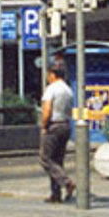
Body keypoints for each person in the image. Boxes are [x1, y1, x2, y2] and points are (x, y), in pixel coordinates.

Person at [38, 60, 77, 204]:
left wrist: (43, 126)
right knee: (57, 161)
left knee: (45, 158)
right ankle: (56, 194)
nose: (48, 77)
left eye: (48, 74)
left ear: (52, 74)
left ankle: (67, 183)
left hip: (53, 126)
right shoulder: (68, 89)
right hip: (65, 126)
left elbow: (47, 109)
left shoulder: (51, 88)